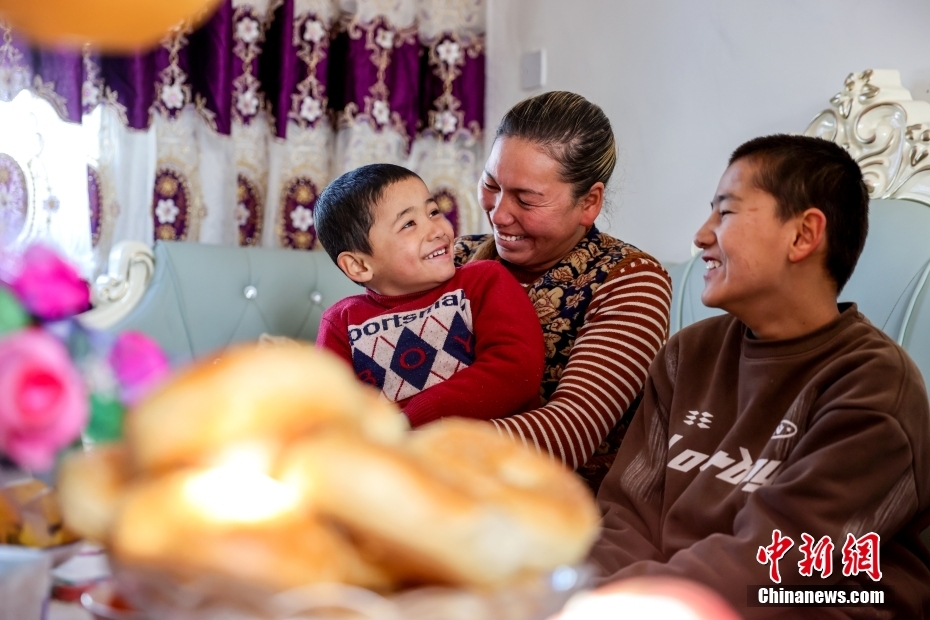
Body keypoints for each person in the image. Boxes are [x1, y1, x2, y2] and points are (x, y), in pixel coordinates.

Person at [590, 135, 930, 617]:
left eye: (725, 213)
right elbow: (625, 515)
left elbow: (777, 564)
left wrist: (627, 604)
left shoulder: (873, 385)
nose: (702, 236)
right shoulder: (688, 354)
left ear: (803, 235)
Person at [455, 91, 672, 490]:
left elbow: (567, 433)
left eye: (526, 199)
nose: (499, 214)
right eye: (490, 184)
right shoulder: (455, 256)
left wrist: (411, 442)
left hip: (551, 511)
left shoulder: (631, 280)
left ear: (589, 202)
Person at [314, 163, 544, 427]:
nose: (438, 230)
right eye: (409, 223)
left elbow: (517, 371)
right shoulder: (342, 323)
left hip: (487, 450)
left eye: (433, 212)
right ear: (360, 265)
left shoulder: (484, 281)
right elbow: (329, 410)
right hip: (393, 460)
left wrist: (419, 417)